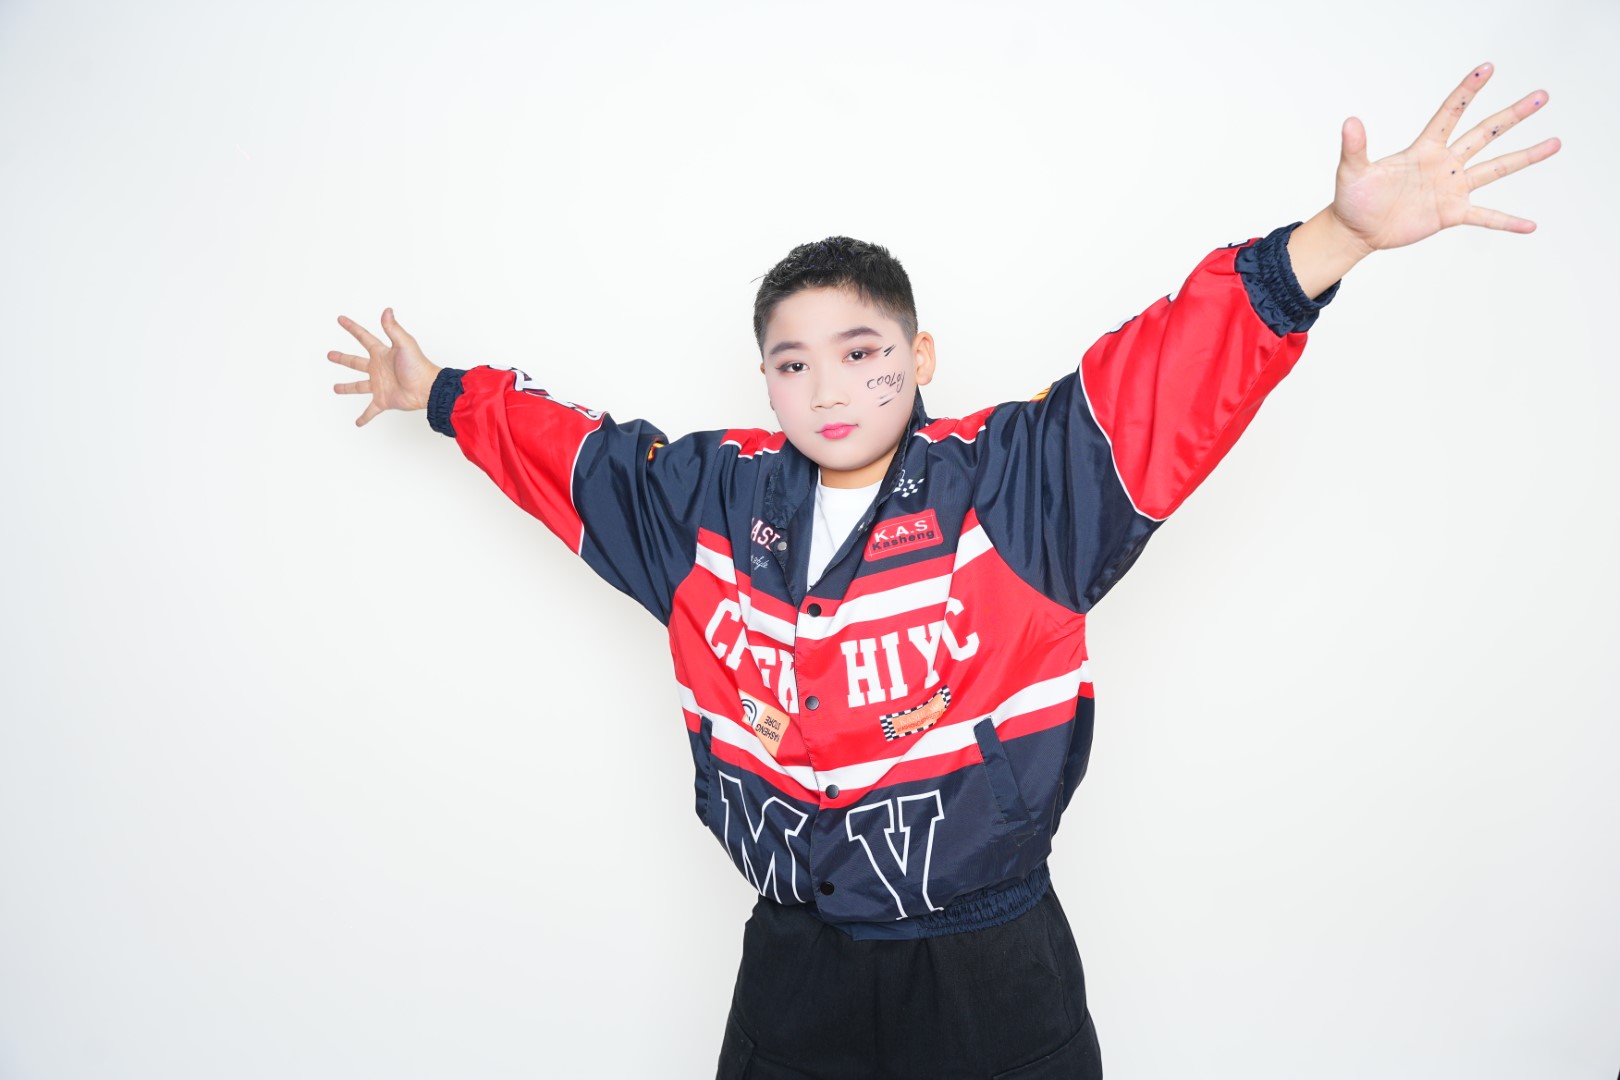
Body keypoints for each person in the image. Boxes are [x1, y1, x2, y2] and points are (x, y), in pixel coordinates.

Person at [327, 62, 1558, 1079]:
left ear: (918, 358)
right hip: (796, 962)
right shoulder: (705, 506)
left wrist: (1336, 238)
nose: (827, 387)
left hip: (989, 967)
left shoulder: (1015, 489)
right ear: (766, 382)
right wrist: (436, 393)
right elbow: (569, 454)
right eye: (793, 363)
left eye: (860, 351)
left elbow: (1169, 373)